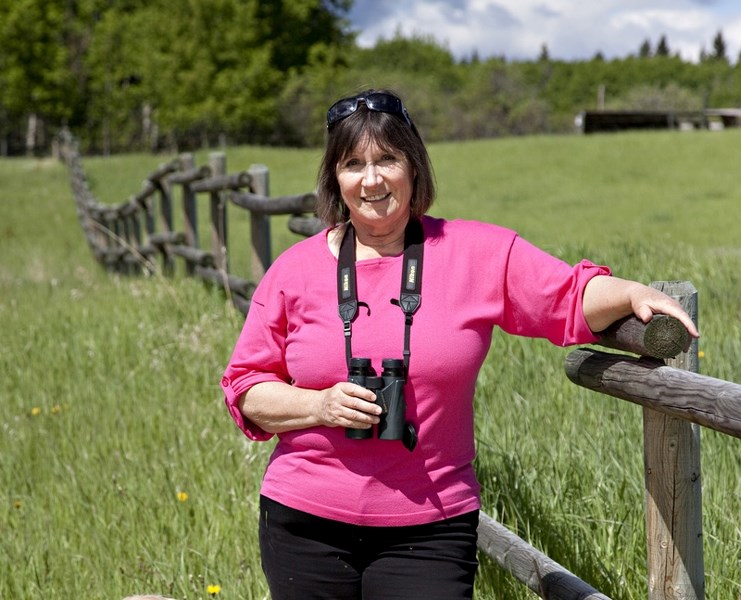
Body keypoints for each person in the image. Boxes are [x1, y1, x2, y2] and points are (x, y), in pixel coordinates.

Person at [220, 89, 699, 599]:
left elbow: (567, 296)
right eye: (353, 164)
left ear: (414, 166)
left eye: (387, 159)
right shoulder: (293, 271)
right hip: (304, 521)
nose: (372, 179)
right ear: (336, 178)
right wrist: (319, 404)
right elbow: (246, 388)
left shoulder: (477, 253)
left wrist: (629, 292)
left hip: (430, 523)